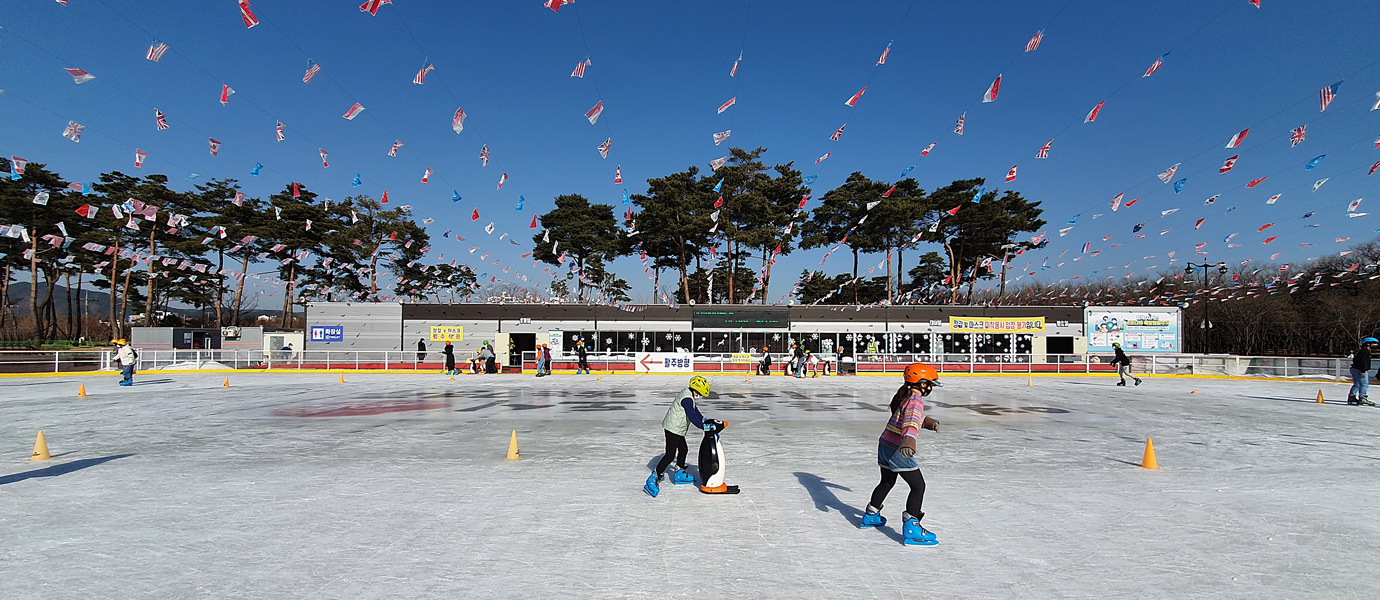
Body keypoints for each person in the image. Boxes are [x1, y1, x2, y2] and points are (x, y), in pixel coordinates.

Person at [860, 363, 942, 546]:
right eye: (930, 384)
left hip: (885, 444)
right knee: (918, 486)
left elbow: (908, 416)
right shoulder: (915, 400)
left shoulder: (905, 395)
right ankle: (912, 527)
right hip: (898, 447)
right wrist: (909, 440)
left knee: (887, 481)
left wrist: (929, 423)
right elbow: (911, 422)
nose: (931, 388)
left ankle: (871, 514)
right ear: (922, 384)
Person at [645, 375, 714, 497]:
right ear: (697, 390)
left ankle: (679, 472)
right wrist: (703, 426)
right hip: (673, 429)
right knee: (670, 455)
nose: (700, 395)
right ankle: (654, 476)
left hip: (677, 429)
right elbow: (692, 416)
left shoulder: (689, 395)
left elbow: (695, 410)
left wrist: (703, 419)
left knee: (683, 449)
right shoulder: (687, 399)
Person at [1348, 337, 1378, 406]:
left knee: (1357, 384)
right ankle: (1363, 397)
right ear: (1368, 344)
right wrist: (1363, 371)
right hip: (1360, 370)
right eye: (1373, 343)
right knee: (1364, 384)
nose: (1375, 345)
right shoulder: (1365, 352)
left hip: (1355, 369)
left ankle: (1352, 397)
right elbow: (1363, 362)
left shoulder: (1361, 351)